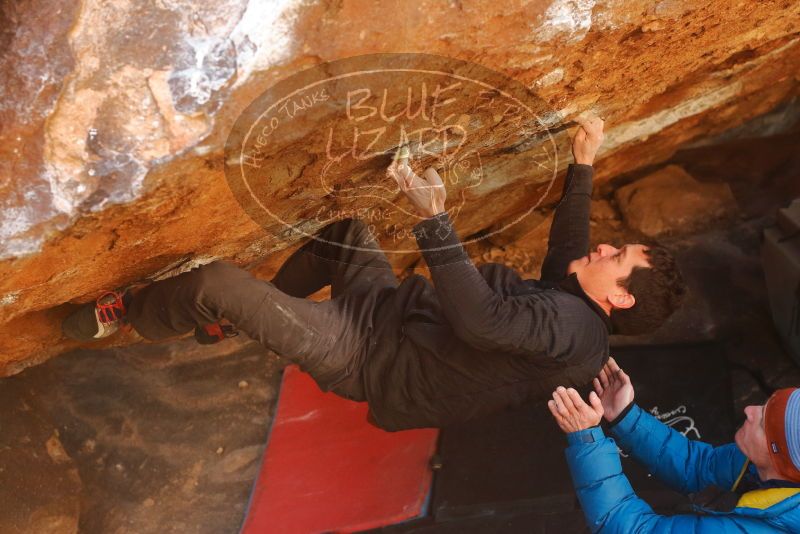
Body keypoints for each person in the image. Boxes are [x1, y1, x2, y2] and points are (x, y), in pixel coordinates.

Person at [62, 118, 686, 431]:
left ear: (622, 299)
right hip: (392, 316)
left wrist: (433, 218)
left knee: (213, 282)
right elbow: (568, 251)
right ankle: (236, 318)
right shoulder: (575, 305)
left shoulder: (572, 338)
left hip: (367, 356)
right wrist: (583, 163)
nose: (604, 248)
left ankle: (136, 313)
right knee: (346, 236)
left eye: (618, 256)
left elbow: (482, 319)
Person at [547, 357, 800, 532]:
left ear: (779, 461)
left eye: (762, 424)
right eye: (764, 405)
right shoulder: (769, 467)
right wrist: (625, 416)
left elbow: (633, 530)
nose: (749, 410)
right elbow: (699, 466)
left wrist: (587, 439)